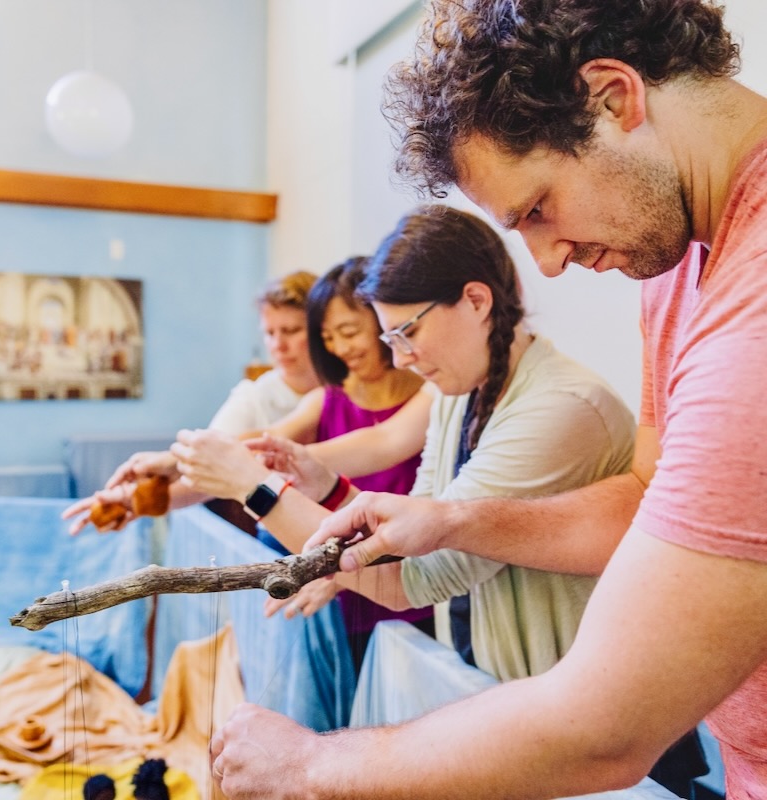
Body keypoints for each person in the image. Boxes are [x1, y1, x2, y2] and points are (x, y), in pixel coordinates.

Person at [205, 2, 767, 799]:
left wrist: (311, 766)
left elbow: (608, 728)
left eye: (537, 209)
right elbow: (645, 498)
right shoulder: (678, 268)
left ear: (614, 98)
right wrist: (457, 517)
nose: (548, 262)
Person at [250, 205, 634, 690]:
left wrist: (253, 490)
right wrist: (325, 486)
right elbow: (411, 533)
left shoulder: (560, 408)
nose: (400, 358)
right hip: (503, 687)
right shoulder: (460, 392)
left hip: (583, 704)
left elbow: (415, 580)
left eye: (408, 333)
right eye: (390, 337)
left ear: (476, 301)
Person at [185, 256, 433, 672]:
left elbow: (377, 444)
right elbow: (264, 445)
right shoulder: (325, 399)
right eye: (329, 336)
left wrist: (264, 473)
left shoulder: (430, 397)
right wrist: (167, 463)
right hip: (344, 582)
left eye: (349, 332)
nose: (339, 347)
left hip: (406, 590)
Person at [62, 270, 320, 534]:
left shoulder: (335, 396)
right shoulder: (253, 396)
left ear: (319, 330)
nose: (278, 344)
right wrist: (136, 499)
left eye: (291, 330)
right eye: (269, 332)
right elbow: (207, 469)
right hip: (284, 535)